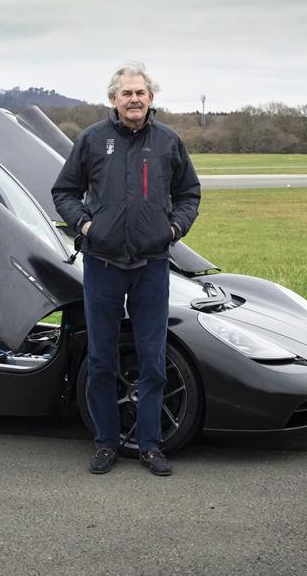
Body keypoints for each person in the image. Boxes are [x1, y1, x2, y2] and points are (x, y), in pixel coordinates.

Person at [52, 60, 201, 476]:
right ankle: (105, 443)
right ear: (113, 99)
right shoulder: (92, 140)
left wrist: (173, 229)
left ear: (151, 99)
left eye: (140, 93)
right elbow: (64, 191)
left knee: (153, 359)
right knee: (101, 359)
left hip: (152, 265)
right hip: (102, 265)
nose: (133, 100)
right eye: (126, 94)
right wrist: (84, 224)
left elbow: (189, 192)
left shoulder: (169, 142)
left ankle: (150, 444)